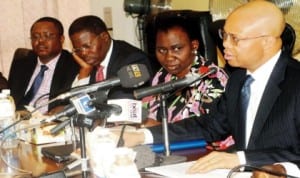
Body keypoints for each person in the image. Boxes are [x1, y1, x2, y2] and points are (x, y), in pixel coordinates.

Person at [114, 1, 300, 176]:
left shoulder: (295, 82)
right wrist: (141, 135)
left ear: (266, 41)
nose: (225, 44)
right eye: (224, 35)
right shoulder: (239, 79)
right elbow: (209, 125)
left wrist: (240, 158)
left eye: (235, 38)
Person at [141, 13, 228, 130]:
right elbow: (147, 111)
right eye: (161, 50)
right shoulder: (163, 74)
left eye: (177, 48)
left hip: (202, 146)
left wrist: (158, 129)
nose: (169, 57)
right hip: (155, 141)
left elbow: (209, 131)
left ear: (194, 46)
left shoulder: (213, 79)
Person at [68, 15, 154, 99]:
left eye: (87, 46)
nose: (83, 53)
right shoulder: (87, 62)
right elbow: (73, 102)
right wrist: (85, 72)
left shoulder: (132, 59)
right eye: (78, 49)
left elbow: (118, 104)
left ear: (104, 37)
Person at [8, 17, 79, 113]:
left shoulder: (73, 65)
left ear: (61, 39)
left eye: (48, 36)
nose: (40, 41)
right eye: (35, 37)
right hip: (17, 118)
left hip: (48, 121)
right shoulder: (22, 62)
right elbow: (10, 95)